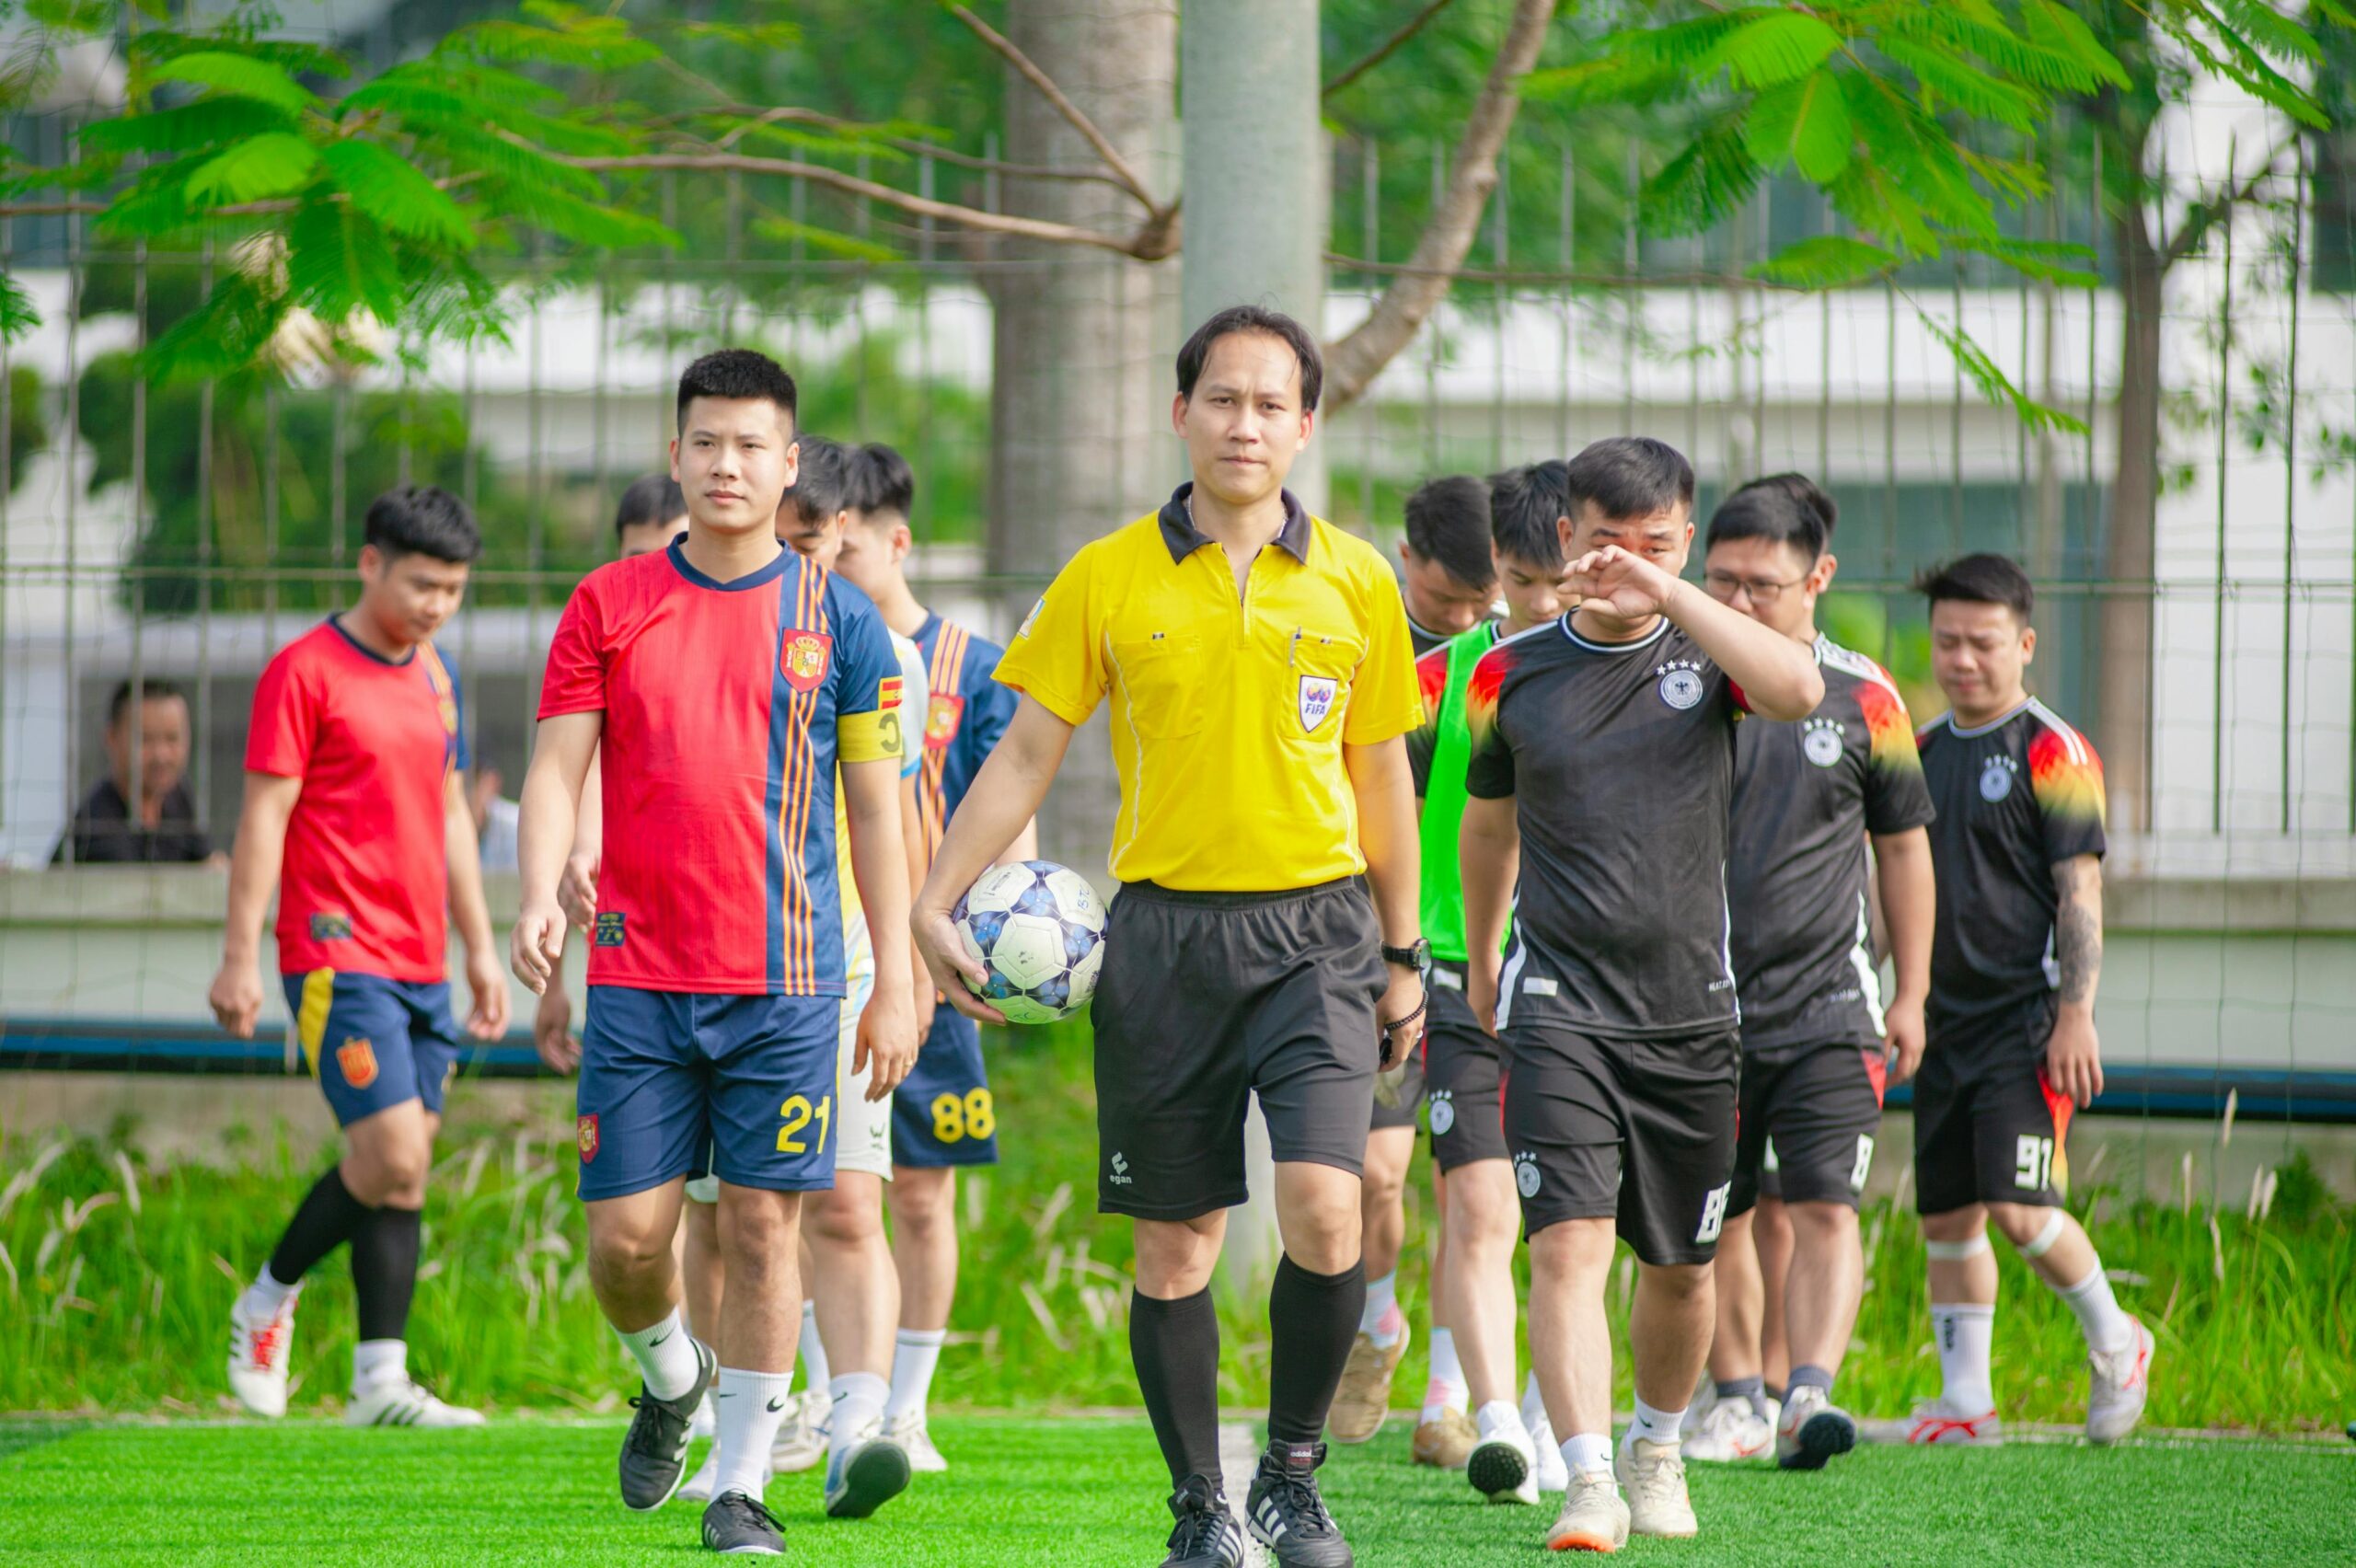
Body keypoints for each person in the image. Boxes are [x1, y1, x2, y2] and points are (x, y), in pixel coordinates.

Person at [911, 306, 1426, 1568]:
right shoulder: (1107, 574)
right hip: (1161, 944)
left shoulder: (1358, 578)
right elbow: (1028, 749)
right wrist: (933, 898)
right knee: (1175, 1244)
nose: (1245, 423)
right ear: (1180, 410)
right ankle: (1201, 1503)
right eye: (1223, 399)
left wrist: (1406, 952)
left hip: (1318, 935)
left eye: (1270, 404)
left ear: (1306, 424)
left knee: (1327, 1205)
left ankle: (1292, 1481)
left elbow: (1381, 781)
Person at [510, 350, 920, 1558]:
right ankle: (671, 1377)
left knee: (762, 1229)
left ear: (789, 465)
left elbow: (877, 811)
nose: (728, 463)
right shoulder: (608, 602)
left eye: (752, 445)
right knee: (627, 1243)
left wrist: (892, 977)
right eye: (707, 443)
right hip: (637, 976)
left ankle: (740, 1485)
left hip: (789, 984)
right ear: (677, 454)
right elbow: (553, 766)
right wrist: (538, 893)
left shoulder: (841, 620)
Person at [1457, 437, 1824, 1552]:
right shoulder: (1507, 671)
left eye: (1660, 545)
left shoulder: (1710, 652)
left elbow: (1797, 686)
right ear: (1563, 537)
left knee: (1679, 1268)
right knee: (1566, 1247)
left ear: (1681, 545)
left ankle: (1654, 1448)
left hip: (1691, 1014)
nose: (1628, 566)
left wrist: (1670, 591)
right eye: (1607, 544)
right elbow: (1487, 821)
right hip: (1560, 1001)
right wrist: (1481, 958)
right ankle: (1585, 1479)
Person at [672, 434, 935, 1520]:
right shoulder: (688, 620)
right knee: (714, 1215)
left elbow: (894, 823)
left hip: (835, 965)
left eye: (807, 542)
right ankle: (713, 1402)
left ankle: (860, 1424)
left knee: (845, 1204)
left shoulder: (877, 652)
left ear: (835, 534)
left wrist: (901, 973)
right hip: (703, 964)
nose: (787, 559)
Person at [213, 486, 510, 1428]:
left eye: (454, 590)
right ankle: (266, 1299)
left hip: (424, 957)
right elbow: (264, 818)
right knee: (389, 1151)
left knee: (405, 1171)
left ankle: (380, 1381)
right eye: (422, 584)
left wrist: (481, 949)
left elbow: (453, 821)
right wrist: (240, 958)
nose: (435, 606)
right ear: (368, 563)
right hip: (337, 954)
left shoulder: (436, 674)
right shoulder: (302, 672)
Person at [1682, 474, 1936, 1471]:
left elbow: (1904, 851)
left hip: (1832, 1005)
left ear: (1818, 577)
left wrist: (1909, 990)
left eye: (1762, 585)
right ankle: (1736, 1397)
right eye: (1720, 582)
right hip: (1697, 1007)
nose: (1737, 605)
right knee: (1722, 1213)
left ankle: (1809, 1396)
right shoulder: (1679, 682)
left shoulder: (1868, 698)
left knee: (1828, 1203)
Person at [1907, 554, 2154, 1447]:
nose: (1962, 659)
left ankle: (2116, 1341)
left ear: (2024, 643)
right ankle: (1965, 1402)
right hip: (1940, 1024)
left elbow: (2078, 891)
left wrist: (2075, 1013)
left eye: (1981, 643)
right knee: (1946, 1215)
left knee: (2020, 1208)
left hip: (2026, 1022)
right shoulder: (1921, 751)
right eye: (1946, 642)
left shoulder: (2054, 749)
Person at [832, 440, 1035, 1473]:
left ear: (895, 541)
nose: (831, 570)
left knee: (920, 1191)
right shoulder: (810, 649)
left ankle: (905, 1409)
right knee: (832, 1195)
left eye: (849, 549)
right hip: (829, 962)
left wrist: (1002, 939)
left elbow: (1014, 809)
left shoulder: (970, 664)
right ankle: (824, 1402)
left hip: (937, 966)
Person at [1403, 463, 1568, 1505]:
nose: (1534, 607)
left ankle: (1563, 1428)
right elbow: (1368, 805)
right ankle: (1490, 1419)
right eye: (1516, 582)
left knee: (1571, 1226)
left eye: (1552, 582)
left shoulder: (1640, 674)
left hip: (1586, 982)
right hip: (1459, 976)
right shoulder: (1439, 682)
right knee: (1477, 1206)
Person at [1331, 474, 1493, 1454]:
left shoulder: (1516, 656)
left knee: (1470, 1189)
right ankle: (1377, 1319)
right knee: (1377, 1174)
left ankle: (1448, 1395)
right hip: (1374, 944)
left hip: (1485, 949)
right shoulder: (1360, 642)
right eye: (1448, 603)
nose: (1469, 620)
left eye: (1487, 601)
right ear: (1405, 564)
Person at [529, 473, 692, 1071]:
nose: (653, 572)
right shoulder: (603, 644)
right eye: (635, 557)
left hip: (757, 975)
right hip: (629, 967)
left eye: (670, 551)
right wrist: (553, 986)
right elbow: (574, 791)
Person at [52, 677, 218, 864]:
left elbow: (208, 864)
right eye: (145, 739)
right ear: (111, 739)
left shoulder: (178, 799)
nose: (161, 755)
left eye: (172, 738)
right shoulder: (97, 826)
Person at [1397, 473, 1498, 653]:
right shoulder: (1368, 634)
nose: (1463, 619)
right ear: (1406, 556)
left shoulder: (1516, 638)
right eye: (1443, 598)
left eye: (1481, 599)